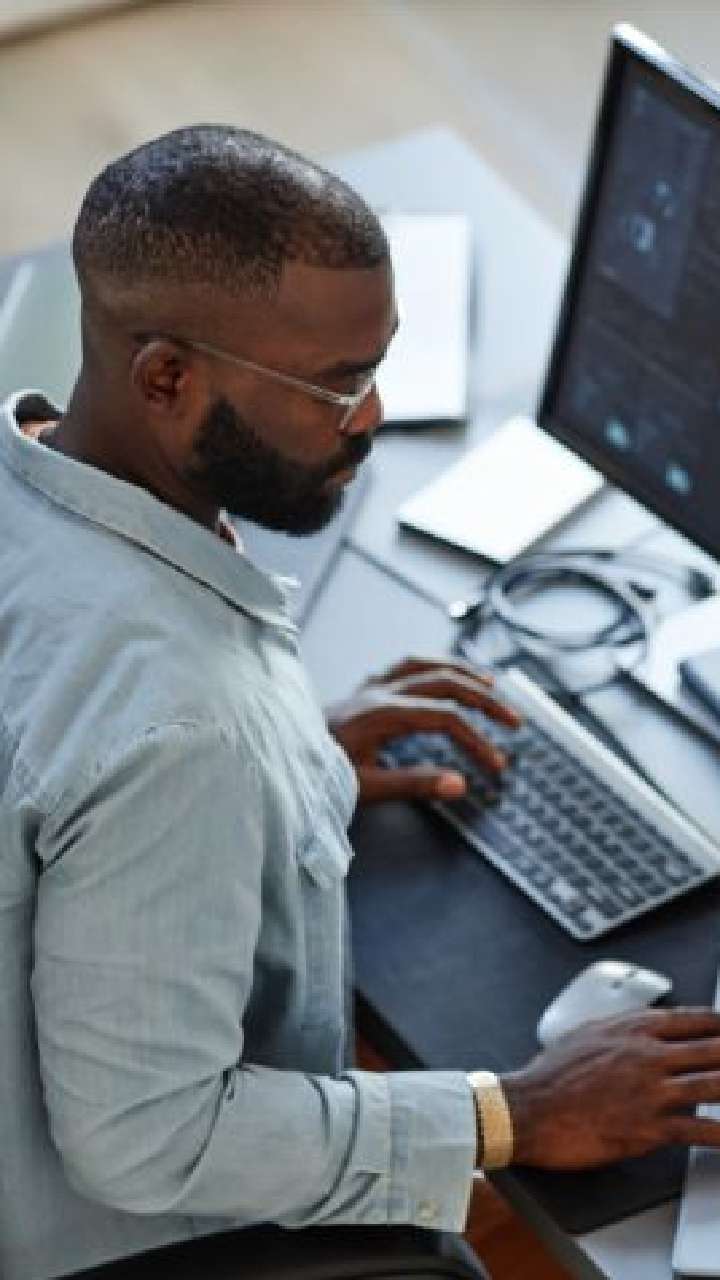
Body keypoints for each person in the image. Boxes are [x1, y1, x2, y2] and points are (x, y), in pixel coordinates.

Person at [1, 125, 720, 1280]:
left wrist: (294, 763)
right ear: (167, 377)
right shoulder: (182, 727)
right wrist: (514, 1111)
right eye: (336, 385)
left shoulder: (33, 485)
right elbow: (147, 1137)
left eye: (378, 364)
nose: (373, 415)